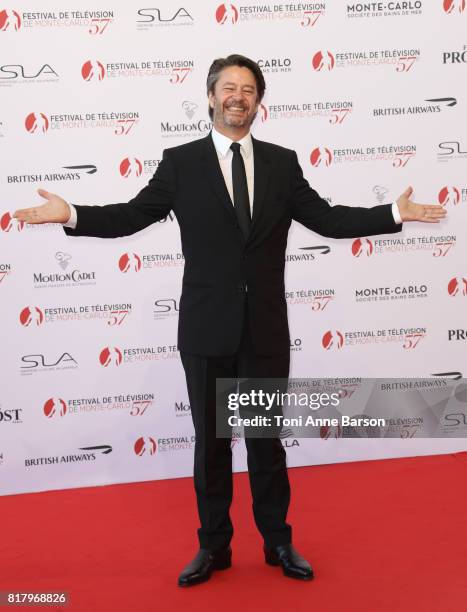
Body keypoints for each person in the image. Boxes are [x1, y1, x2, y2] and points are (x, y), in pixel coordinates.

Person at [14, 54, 446, 587]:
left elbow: (329, 219)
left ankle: (279, 543)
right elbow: (131, 216)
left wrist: (393, 214)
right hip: (205, 329)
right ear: (212, 96)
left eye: (247, 88)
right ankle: (213, 548)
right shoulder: (181, 162)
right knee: (210, 445)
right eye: (228, 87)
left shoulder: (283, 164)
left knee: (266, 442)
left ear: (258, 102)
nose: (237, 96)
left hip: (263, 330)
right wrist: (74, 214)